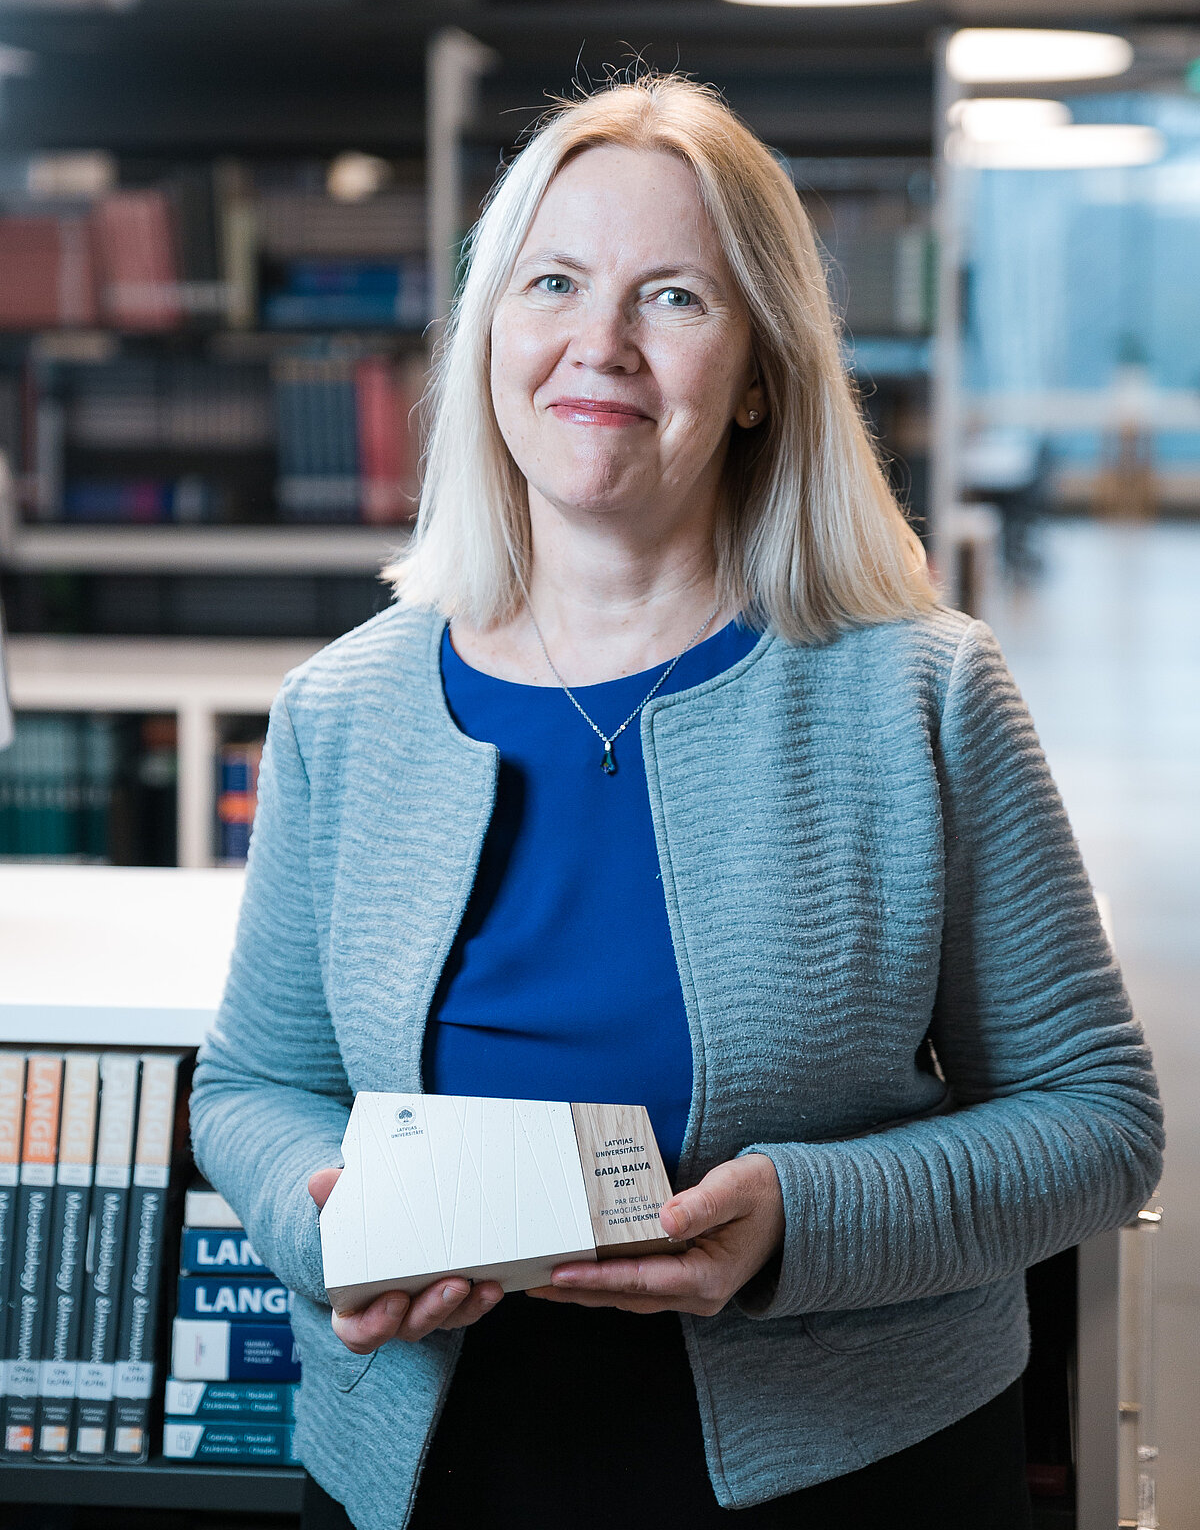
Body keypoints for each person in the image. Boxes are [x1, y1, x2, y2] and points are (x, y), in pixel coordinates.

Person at [190, 74, 1163, 1530]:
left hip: (849, 1473)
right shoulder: (346, 707)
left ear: (762, 372)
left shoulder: (924, 695)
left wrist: (794, 1225)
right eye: (555, 284)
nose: (600, 344)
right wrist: (325, 1214)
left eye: (675, 300)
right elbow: (252, 1085)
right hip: (428, 1468)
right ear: (489, 341)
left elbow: (1098, 1121)